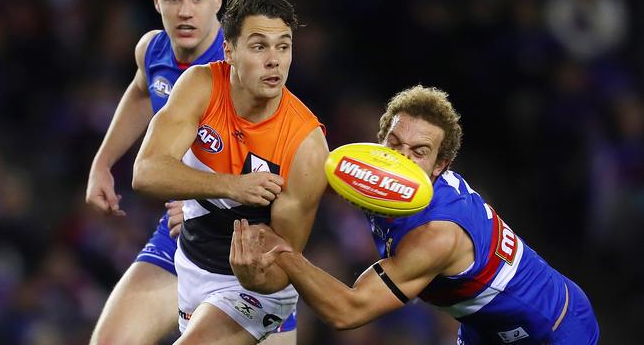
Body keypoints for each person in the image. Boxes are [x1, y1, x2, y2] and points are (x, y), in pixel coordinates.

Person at [231, 85, 601, 344]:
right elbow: (300, 181)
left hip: (554, 329)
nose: (402, 158)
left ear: (440, 165)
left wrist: (282, 253)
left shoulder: (437, 234)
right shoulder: (379, 176)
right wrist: (216, 194)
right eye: (394, 143)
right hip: (484, 328)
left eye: (419, 151)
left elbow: (347, 311)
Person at [85, 0, 298, 343]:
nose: (186, 11)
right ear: (155, 0)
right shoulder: (153, 49)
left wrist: (206, 203)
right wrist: (102, 163)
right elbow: (142, 90)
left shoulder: (241, 63)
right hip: (179, 241)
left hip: (243, 253)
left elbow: (274, 162)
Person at [132, 0, 328, 344]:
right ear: (230, 51)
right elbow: (145, 173)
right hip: (192, 267)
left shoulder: (307, 145)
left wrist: (254, 276)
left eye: (283, 47)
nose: (274, 60)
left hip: (253, 290)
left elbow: (284, 263)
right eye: (259, 46)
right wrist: (233, 186)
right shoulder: (200, 85)